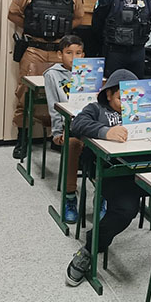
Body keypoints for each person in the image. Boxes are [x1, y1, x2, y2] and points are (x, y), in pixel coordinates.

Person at [65, 69, 151, 286]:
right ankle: (90, 247)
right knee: (125, 210)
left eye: (131, 98)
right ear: (108, 94)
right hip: (112, 173)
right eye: (120, 98)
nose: (127, 104)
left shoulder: (146, 108)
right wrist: (105, 131)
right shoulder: (97, 109)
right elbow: (77, 124)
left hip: (146, 170)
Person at [8, 0, 85, 159]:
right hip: (35, 50)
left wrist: (62, 34)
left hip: (62, 53)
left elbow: (78, 18)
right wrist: (35, 28)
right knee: (25, 95)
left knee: (65, 95)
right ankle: (22, 139)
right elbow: (13, 14)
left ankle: (58, 137)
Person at [43, 35, 88, 223]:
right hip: (68, 126)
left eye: (78, 53)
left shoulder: (90, 71)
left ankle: (103, 196)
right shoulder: (52, 75)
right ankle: (70, 197)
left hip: (89, 124)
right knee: (72, 145)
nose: (74, 57)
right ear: (60, 55)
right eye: (69, 53)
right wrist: (57, 132)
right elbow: (53, 105)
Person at [92, 0, 151, 78]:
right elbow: (97, 24)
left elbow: (149, 20)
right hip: (114, 52)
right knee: (112, 85)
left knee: (136, 85)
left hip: (138, 52)